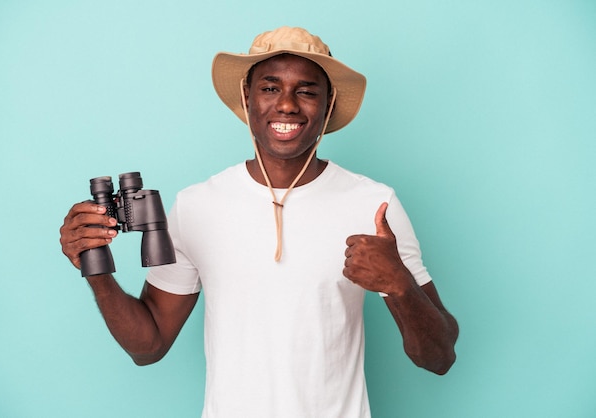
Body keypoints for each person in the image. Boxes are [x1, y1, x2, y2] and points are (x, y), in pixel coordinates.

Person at [60, 26, 458, 418]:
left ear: (329, 105)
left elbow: (439, 357)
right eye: (270, 88)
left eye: (306, 90)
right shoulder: (197, 205)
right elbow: (148, 347)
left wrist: (400, 285)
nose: (287, 104)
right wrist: (97, 270)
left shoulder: (374, 205)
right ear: (246, 99)